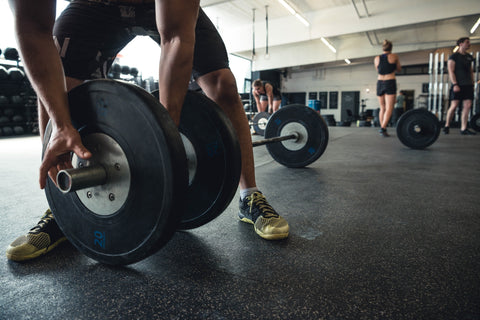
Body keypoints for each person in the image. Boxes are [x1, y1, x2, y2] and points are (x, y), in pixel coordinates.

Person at [6, 0, 289, 262]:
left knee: (222, 83)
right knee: (60, 81)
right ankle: (62, 208)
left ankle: (249, 195)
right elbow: (33, 28)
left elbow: (176, 35)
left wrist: (166, 138)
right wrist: (61, 124)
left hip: (159, 8)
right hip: (93, 5)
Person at [443, 37, 476, 135]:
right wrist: (455, 84)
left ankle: (463, 128)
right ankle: (447, 125)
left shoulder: (469, 57)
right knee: (454, 106)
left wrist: (472, 82)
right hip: (458, 85)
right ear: (460, 44)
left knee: (468, 105)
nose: (469, 44)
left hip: (468, 85)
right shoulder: (454, 57)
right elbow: (451, 71)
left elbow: (470, 71)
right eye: (467, 42)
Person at [373, 39, 401, 137]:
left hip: (380, 82)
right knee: (389, 107)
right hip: (390, 81)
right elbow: (399, 69)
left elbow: (378, 69)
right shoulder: (394, 56)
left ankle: (383, 128)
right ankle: (383, 128)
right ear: (391, 48)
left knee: (382, 107)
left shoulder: (376, 58)